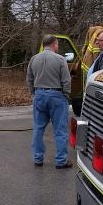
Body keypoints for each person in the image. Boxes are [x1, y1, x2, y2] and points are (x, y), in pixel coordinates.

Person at [26, 34, 72, 169]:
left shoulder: (33, 59)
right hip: (57, 95)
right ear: (54, 44)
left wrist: (34, 93)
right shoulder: (60, 59)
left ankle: (38, 158)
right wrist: (66, 94)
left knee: (38, 128)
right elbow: (66, 80)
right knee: (60, 130)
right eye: (57, 44)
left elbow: (29, 79)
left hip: (39, 94)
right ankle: (61, 161)